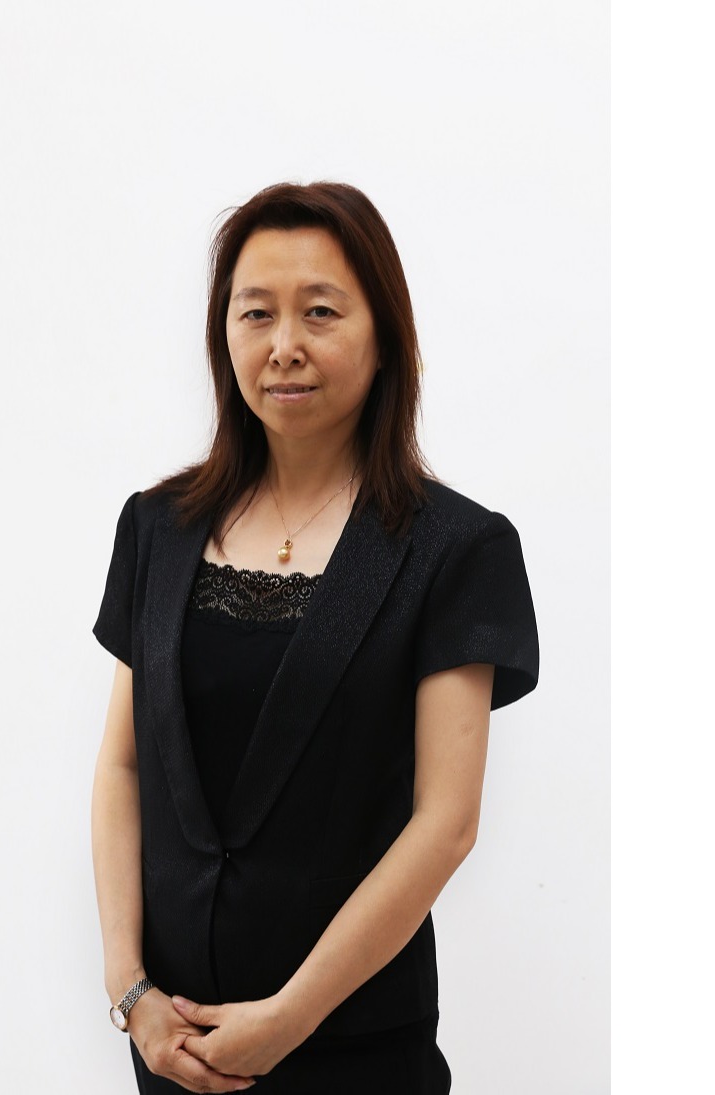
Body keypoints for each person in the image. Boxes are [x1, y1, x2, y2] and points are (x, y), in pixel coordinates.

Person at [91, 181, 539, 1094]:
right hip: (173, 1050)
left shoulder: (456, 549)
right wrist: (129, 990)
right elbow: (124, 766)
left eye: (320, 311)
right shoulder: (157, 528)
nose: (283, 343)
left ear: (384, 338)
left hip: (356, 1051)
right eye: (255, 312)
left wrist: (289, 1017)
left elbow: (445, 823)